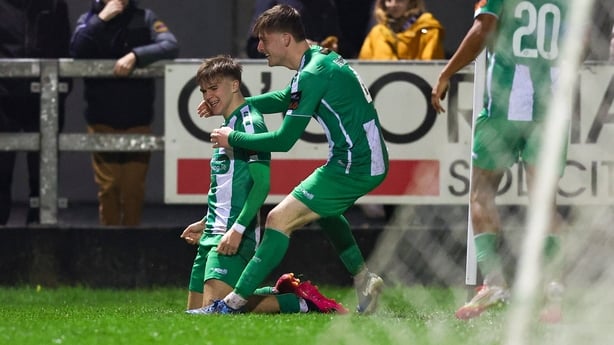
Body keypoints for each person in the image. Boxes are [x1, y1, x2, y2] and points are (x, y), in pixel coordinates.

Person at [204, 4, 390, 315]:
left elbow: (284, 141)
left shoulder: (313, 72)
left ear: (286, 39)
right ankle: (364, 280)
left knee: (278, 219)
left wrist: (232, 136)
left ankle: (231, 305)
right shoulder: (318, 59)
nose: (259, 47)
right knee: (325, 212)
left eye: (264, 40)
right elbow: (285, 98)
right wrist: (238, 105)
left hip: (354, 165)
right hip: (359, 159)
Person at [431, 0, 571, 322]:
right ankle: (553, 293)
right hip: (550, 110)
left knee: (481, 192)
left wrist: (446, 72)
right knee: (544, 202)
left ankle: (494, 282)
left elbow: (483, 29)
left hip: (505, 107)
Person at [180, 55, 347, 315]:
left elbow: (262, 185)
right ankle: (284, 291)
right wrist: (205, 222)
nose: (208, 95)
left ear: (234, 86)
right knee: (193, 314)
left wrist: (236, 230)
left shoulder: (249, 124)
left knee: (214, 312)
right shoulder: (229, 124)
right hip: (214, 230)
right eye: (203, 90)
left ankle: (302, 303)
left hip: (234, 235)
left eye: (214, 88)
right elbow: (228, 187)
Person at [70, 0, 179, 226]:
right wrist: (102, 19)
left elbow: (170, 45)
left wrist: (136, 56)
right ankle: (110, 246)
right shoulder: (89, 19)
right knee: (108, 188)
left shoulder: (145, 17)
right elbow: (77, 50)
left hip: (137, 119)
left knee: (133, 189)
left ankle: (131, 245)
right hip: (101, 118)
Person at [0, 0, 72, 226]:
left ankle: (40, 243)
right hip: (3, 100)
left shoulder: (54, 4)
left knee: (43, 179)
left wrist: (60, 91)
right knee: (0, 174)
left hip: (45, 100)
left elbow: (64, 44)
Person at [245, 0, 342, 58]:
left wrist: (328, 49)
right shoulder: (271, 2)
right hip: (280, 74)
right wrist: (289, 47)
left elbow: (339, 45)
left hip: (318, 74)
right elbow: (253, 48)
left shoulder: (327, 5)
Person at [358, 0, 445, 60]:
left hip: (419, 84)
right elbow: (364, 66)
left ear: (412, 2)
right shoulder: (377, 32)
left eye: (399, 0)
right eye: (389, 0)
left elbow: (430, 66)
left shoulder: (428, 29)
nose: (393, 5)